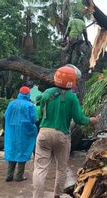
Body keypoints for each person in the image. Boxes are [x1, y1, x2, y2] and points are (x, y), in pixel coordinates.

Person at [33, 65, 98, 198]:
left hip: (44, 133)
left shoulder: (47, 92)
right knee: (61, 168)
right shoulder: (72, 97)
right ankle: (57, 195)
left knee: (40, 169)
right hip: (62, 135)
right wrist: (92, 120)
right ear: (72, 81)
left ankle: (37, 196)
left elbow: (38, 106)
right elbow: (79, 119)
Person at [4, 86, 38, 182]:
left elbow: (6, 116)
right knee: (22, 151)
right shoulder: (30, 105)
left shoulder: (11, 104)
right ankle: (19, 176)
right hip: (25, 132)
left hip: (12, 132)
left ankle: (9, 175)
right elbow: (34, 119)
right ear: (28, 94)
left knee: (12, 150)